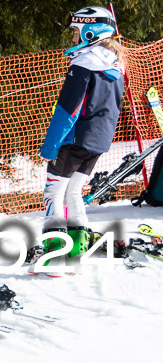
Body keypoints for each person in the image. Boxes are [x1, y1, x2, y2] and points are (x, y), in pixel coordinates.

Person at [39, 6, 124, 261]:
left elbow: (68, 109)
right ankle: (75, 255)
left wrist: (50, 146)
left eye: (77, 32)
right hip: (96, 143)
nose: (74, 38)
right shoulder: (114, 66)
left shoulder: (84, 64)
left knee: (53, 193)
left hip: (74, 140)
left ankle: (54, 257)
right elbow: (114, 109)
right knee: (73, 193)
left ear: (90, 32)